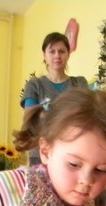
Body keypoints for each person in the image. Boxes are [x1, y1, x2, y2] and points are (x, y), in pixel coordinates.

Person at [20, 32, 88, 165]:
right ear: (44, 55)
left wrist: (46, 113)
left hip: (73, 151)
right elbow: (31, 116)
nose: (57, 55)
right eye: (52, 51)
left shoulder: (79, 83)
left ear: (68, 54)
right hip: (41, 152)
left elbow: (85, 115)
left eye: (62, 51)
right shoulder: (34, 85)